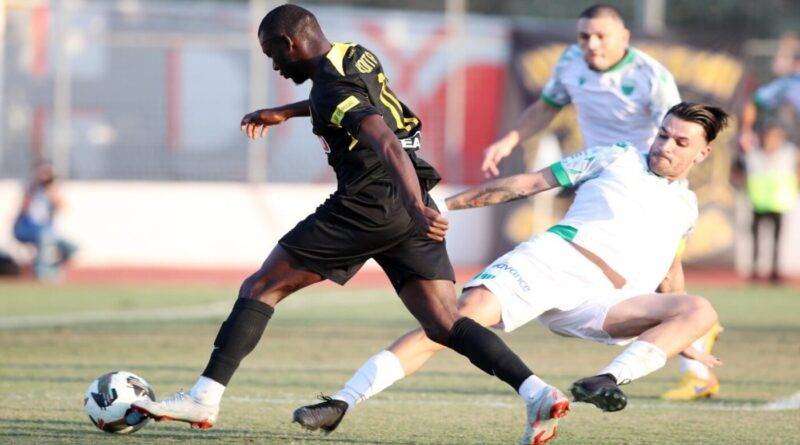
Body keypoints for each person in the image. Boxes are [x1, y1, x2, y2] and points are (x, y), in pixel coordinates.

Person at [132, 5, 560, 444]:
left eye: (273, 55)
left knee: (261, 287)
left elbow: (385, 141)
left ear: (289, 44)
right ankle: (537, 391)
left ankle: (203, 397)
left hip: (369, 204)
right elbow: (346, 102)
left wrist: (415, 207)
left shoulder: (329, 89)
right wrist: (286, 111)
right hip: (407, 195)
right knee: (444, 323)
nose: (275, 66)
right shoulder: (356, 55)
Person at [293, 102, 727, 444]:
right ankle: (343, 401)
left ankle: (607, 380)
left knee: (700, 310)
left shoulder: (687, 207)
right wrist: (443, 206)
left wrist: (680, 339)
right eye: (663, 134)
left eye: (680, 142)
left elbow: (670, 274)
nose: (666, 146)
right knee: (449, 323)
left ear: (703, 153)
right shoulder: (615, 157)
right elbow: (527, 184)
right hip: (553, 262)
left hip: (608, 303)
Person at [480, 4, 722, 401]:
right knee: (643, 276)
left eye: (601, 36)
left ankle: (692, 360)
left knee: (665, 272)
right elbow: (546, 106)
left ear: (623, 37)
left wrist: (670, 200)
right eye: (584, 36)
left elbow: (679, 134)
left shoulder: (650, 76)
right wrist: (511, 139)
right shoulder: (570, 62)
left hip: (644, 179)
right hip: (603, 172)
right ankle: (692, 355)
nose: (591, 44)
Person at [742, 120, 799, 283]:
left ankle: (775, 270)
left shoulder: (788, 153)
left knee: (777, 239)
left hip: (779, 203)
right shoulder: (754, 154)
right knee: (756, 238)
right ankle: (755, 269)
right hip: (758, 202)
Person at [12, 160, 77, 281]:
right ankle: (40, 275)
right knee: (44, 238)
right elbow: (23, 210)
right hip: (27, 229)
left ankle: (53, 268)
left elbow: (62, 206)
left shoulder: (51, 191)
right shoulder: (31, 190)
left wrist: (51, 190)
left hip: (48, 233)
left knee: (71, 248)